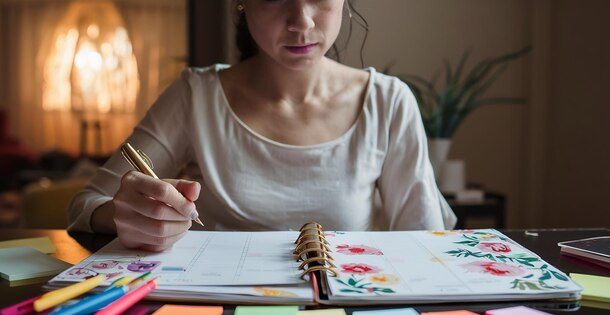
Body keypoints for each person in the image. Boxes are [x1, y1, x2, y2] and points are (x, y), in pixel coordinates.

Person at [68, 0, 456, 251]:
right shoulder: (195, 97)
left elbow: (427, 244)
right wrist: (126, 215)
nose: (301, 22)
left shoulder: (387, 102)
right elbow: (85, 206)